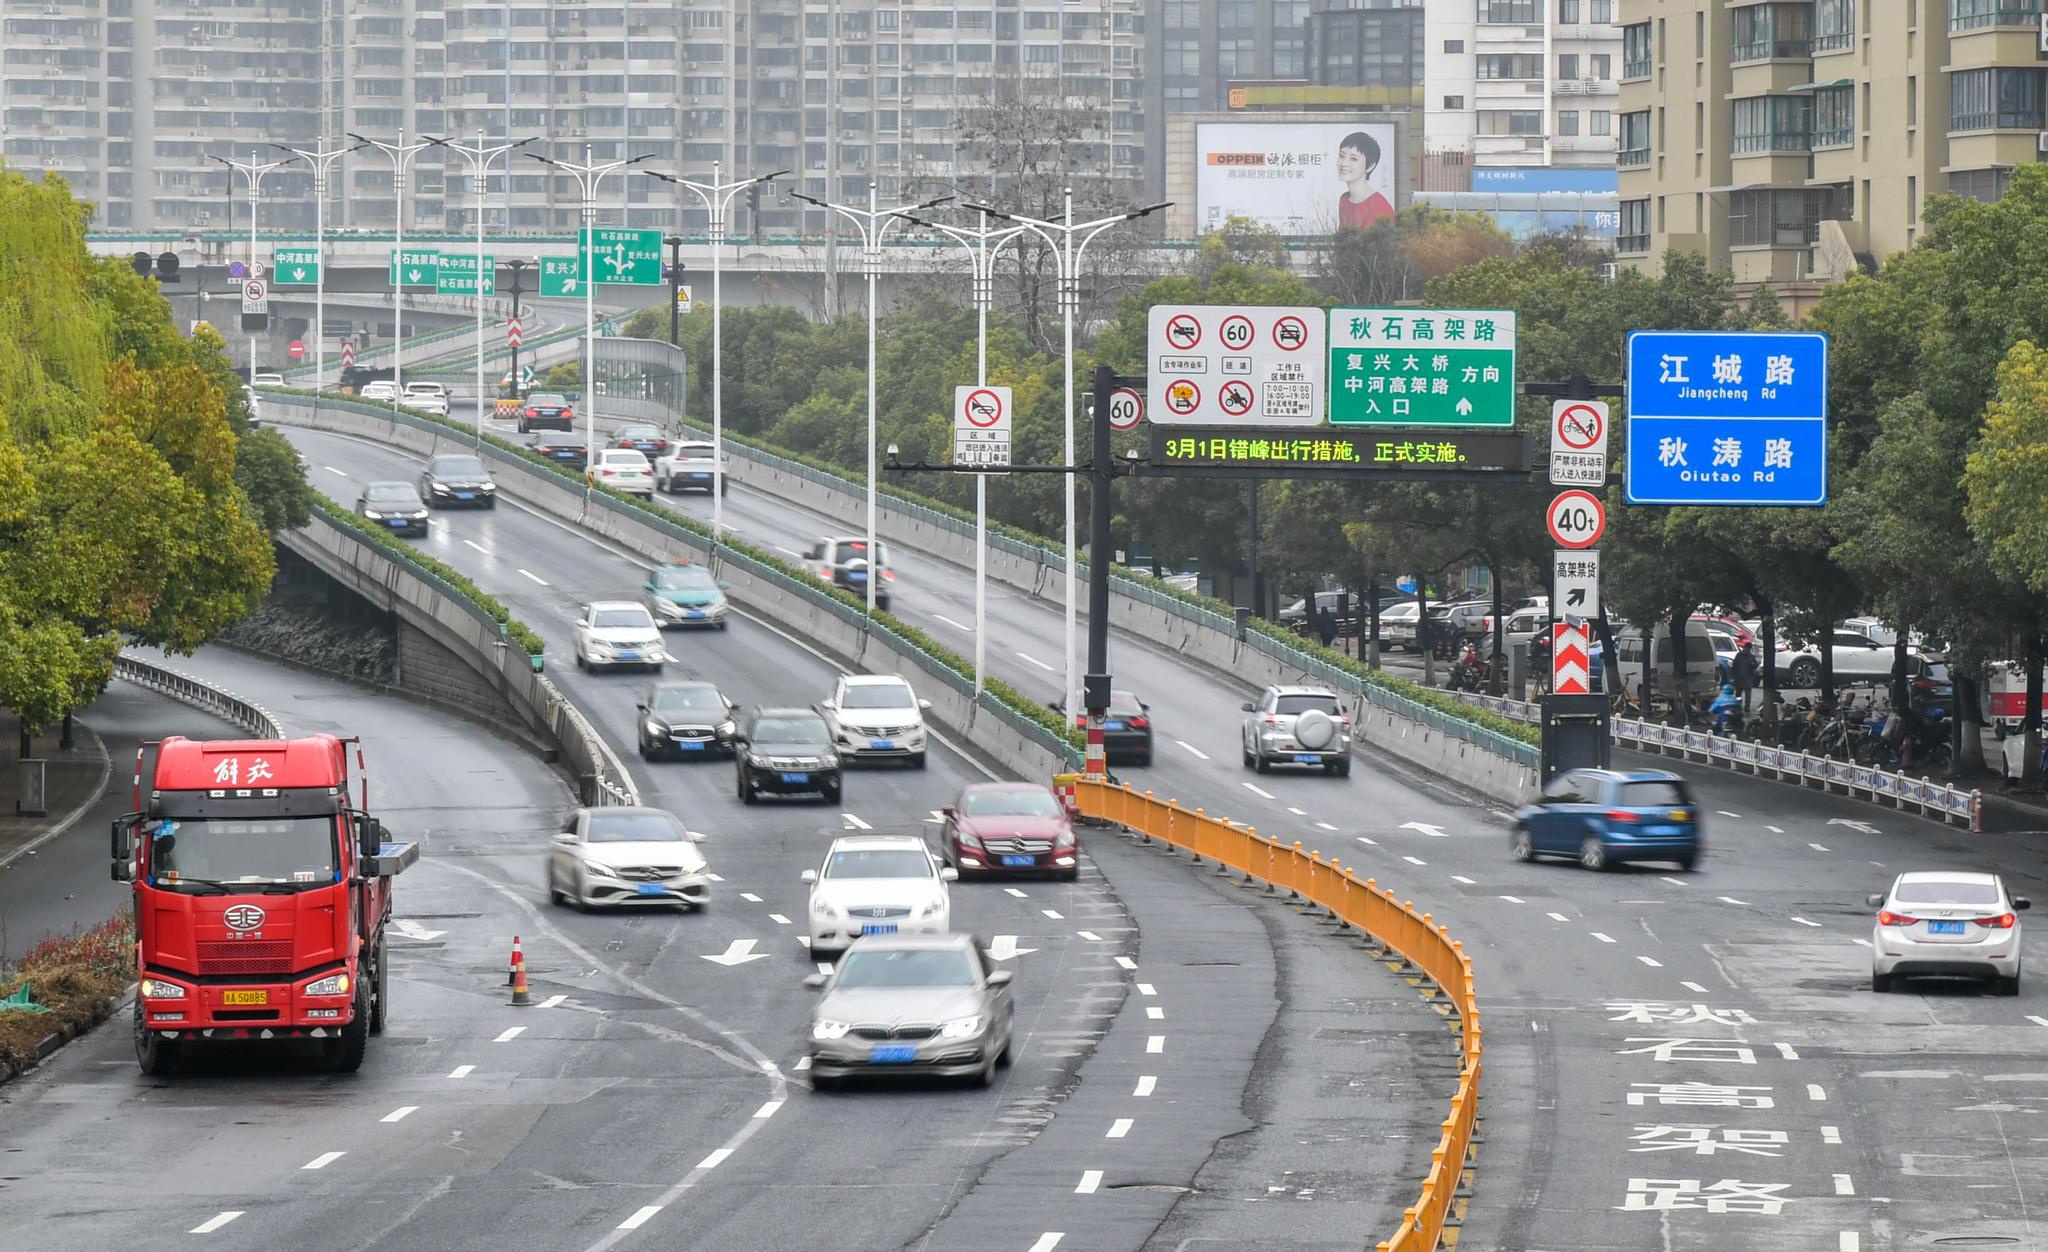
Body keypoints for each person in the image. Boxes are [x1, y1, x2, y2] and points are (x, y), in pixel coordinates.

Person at [1334, 131, 1395, 232]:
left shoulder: (1380, 207)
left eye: (1353, 159)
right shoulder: (1344, 200)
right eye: (1341, 156)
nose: (1344, 163)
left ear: (1370, 166)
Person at [1731, 642, 1761, 712]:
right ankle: (1743, 707)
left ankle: (1743, 707)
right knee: (1743, 694)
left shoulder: (1742, 655)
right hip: (1744, 678)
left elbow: (1734, 666)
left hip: (1743, 678)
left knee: (1742, 694)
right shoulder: (1745, 656)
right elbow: (1735, 666)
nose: (1747, 650)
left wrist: (1733, 676)